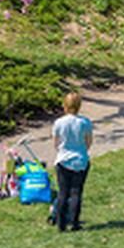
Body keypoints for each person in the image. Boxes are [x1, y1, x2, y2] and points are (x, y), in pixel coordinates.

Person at [51, 91, 92, 232]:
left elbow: (56, 143)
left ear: (64, 106)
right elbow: (88, 142)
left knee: (63, 192)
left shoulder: (58, 123)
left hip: (63, 160)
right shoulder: (85, 122)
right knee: (76, 192)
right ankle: (74, 222)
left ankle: (61, 224)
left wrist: (62, 150)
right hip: (80, 160)